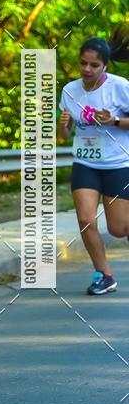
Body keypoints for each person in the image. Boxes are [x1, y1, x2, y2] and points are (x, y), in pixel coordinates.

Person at [58, 32, 129, 294]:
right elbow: (65, 134)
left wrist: (115, 122)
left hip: (118, 163)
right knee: (86, 219)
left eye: (94, 65)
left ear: (105, 66)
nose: (87, 69)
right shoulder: (69, 91)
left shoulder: (120, 87)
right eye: (83, 63)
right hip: (85, 163)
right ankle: (105, 275)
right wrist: (63, 126)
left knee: (119, 229)